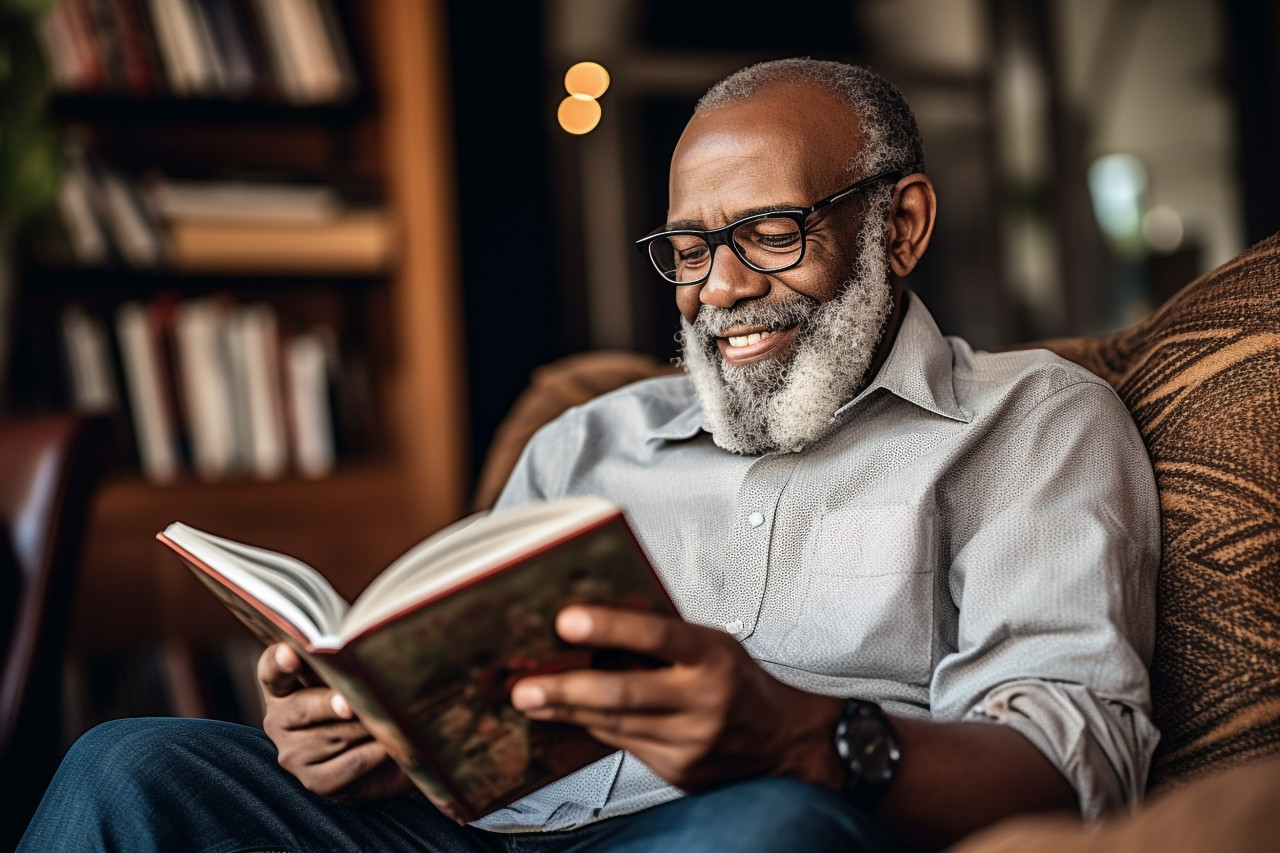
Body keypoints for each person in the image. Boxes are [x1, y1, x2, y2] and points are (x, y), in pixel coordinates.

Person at [18, 58, 1160, 853]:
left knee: (778, 831)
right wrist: (366, 732)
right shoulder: (586, 438)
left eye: (770, 232)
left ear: (899, 224)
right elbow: (467, 707)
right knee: (129, 763)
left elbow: (1071, 762)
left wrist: (794, 736)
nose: (718, 289)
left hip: (750, 826)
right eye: (690, 248)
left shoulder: (1033, 424)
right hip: (481, 839)